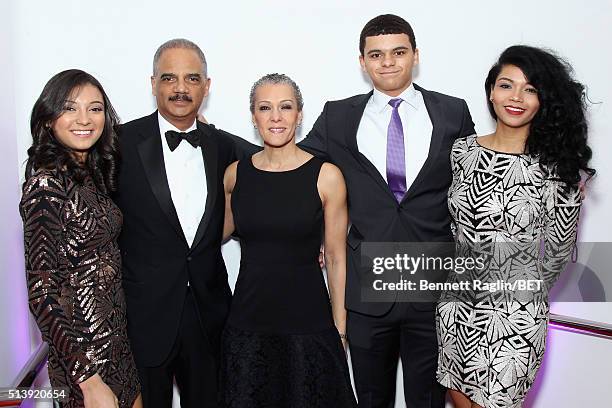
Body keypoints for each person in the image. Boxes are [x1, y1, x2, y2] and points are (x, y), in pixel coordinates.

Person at [299, 14, 475, 407]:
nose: (388, 62)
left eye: (398, 52)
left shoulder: (452, 112)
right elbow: (295, 167)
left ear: (415, 56)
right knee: (371, 399)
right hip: (368, 290)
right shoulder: (339, 115)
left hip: (433, 287)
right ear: (362, 62)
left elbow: (479, 178)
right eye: (376, 54)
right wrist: (221, 144)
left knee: (428, 401)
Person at [435, 45, 595, 408]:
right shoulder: (462, 152)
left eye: (531, 89)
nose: (517, 98)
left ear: (543, 101)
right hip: (455, 307)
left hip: (514, 317)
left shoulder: (558, 169)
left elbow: (556, 255)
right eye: (507, 85)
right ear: (491, 90)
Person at [113, 39, 255, 407]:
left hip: (209, 315)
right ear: (153, 83)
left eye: (192, 78)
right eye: (169, 78)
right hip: (143, 318)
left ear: (207, 87)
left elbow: (278, 170)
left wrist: (316, 233)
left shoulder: (224, 145)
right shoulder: (118, 143)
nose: (180, 88)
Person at [219, 73, 356, 407]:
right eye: (265, 108)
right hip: (248, 324)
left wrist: (340, 328)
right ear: (253, 116)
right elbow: (213, 234)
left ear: (299, 114)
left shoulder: (326, 176)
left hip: (309, 324)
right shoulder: (236, 174)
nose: (276, 116)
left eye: (286, 107)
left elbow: (337, 258)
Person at [20, 69, 141, 408]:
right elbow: (42, 295)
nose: (84, 119)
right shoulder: (46, 187)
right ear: (48, 120)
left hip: (118, 349)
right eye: (70, 108)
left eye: (95, 108)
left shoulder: (92, 175)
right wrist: (88, 381)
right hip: (84, 364)